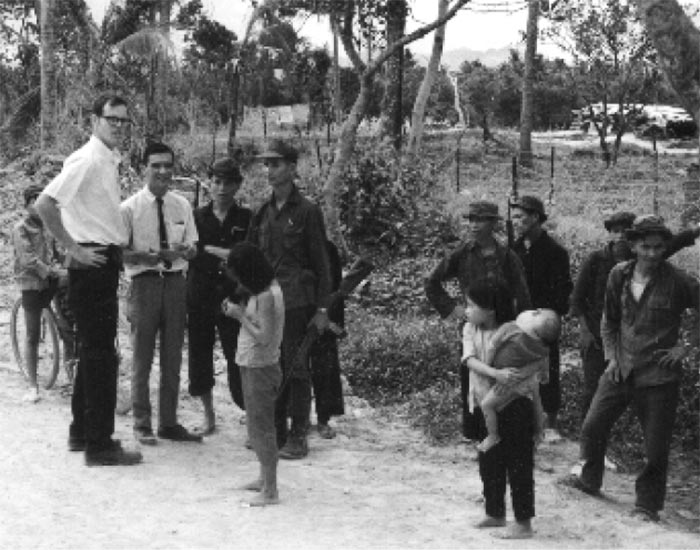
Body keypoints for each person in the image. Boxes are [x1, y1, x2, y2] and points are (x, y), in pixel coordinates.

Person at [564, 215, 699, 523]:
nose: (652, 253)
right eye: (646, 247)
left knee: (655, 447)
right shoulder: (618, 275)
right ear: (634, 246)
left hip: (658, 376)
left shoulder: (679, 280)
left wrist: (686, 347)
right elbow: (609, 320)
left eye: (658, 247)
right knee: (592, 427)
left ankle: (647, 506)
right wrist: (611, 356)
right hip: (620, 369)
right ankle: (589, 480)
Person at [35, 93, 142, 466]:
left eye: (123, 121)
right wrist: (75, 250)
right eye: (111, 118)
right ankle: (100, 444)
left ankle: (82, 433)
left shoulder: (105, 159)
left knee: (93, 351)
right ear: (95, 119)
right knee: (101, 356)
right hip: (91, 265)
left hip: (102, 265)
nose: (118, 125)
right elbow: (45, 204)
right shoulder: (88, 158)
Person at [248, 138, 332, 460]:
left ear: (293, 168)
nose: (269, 170)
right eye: (267, 164)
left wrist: (323, 309)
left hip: (297, 303)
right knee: (270, 366)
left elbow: (323, 265)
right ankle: (276, 429)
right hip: (268, 302)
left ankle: (299, 433)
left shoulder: (308, 212)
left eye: (276, 164)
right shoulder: (263, 213)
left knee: (296, 367)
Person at [571, 211, 700, 421]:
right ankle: (588, 438)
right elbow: (577, 300)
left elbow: (674, 242)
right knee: (594, 388)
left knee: (627, 390)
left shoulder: (643, 259)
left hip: (631, 343)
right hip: (597, 335)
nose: (620, 235)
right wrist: (585, 332)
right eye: (615, 231)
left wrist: (696, 230)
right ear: (610, 234)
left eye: (624, 231)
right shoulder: (596, 259)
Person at [425, 200, 531, 440]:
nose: (474, 225)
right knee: (472, 373)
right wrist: (454, 310)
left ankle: (502, 428)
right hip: (473, 326)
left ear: (493, 223)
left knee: (504, 375)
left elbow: (522, 293)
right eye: (471, 220)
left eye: (480, 220)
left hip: (503, 326)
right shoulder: (462, 253)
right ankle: (473, 431)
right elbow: (432, 282)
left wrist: (524, 328)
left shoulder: (507, 256)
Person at [120, 142, 201, 445]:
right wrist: (148, 256)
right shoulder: (129, 209)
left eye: (167, 165)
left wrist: (189, 250)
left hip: (176, 284)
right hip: (144, 285)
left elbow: (193, 246)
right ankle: (142, 423)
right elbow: (120, 254)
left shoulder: (182, 205)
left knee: (172, 356)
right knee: (141, 356)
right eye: (156, 165)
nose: (163, 171)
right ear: (144, 168)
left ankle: (169, 422)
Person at [460, 280, 539, 539]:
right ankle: (495, 512)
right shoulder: (470, 329)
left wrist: (516, 378)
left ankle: (523, 522)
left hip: (515, 404)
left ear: (490, 309)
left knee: (519, 463)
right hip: (485, 404)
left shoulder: (516, 332)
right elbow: (469, 359)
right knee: (489, 462)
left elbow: (538, 362)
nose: (466, 310)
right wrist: (496, 373)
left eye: (471, 305)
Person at [187, 158, 252, 435]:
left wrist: (210, 251)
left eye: (228, 182)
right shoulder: (195, 217)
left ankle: (251, 416)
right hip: (200, 294)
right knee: (199, 356)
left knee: (238, 357)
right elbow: (190, 254)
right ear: (209, 184)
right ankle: (209, 416)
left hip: (233, 297)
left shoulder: (247, 219)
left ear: (237, 185)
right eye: (216, 182)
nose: (222, 188)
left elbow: (249, 258)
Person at [222, 242, 285, 506]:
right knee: (256, 426)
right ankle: (263, 479)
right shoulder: (262, 292)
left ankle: (271, 490)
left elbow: (264, 336)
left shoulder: (267, 296)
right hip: (252, 364)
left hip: (262, 367)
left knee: (263, 429)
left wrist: (239, 316)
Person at [511, 195, 572, 442]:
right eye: (513, 217)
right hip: (517, 320)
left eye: (520, 216)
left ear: (535, 217)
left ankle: (550, 423)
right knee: (515, 366)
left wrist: (548, 313)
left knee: (548, 369)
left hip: (543, 318)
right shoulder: (513, 250)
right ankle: (520, 418)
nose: (515, 222)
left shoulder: (555, 252)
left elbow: (563, 289)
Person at [12, 184, 71, 402]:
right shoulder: (21, 228)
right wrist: (52, 271)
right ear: (26, 205)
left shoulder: (48, 226)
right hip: (32, 283)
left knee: (67, 323)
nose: (38, 207)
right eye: (33, 202)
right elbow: (28, 259)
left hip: (52, 279)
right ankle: (33, 385)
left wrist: (63, 265)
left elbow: (58, 251)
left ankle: (71, 372)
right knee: (32, 334)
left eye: (41, 202)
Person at [476, 308, 560, 453]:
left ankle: (493, 435)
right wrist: (545, 374)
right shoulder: (543, 346)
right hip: (528, 380)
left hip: (508, 380)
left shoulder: (509, 329)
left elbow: (491, 348)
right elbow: (544, 360)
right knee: (537, 402)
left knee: (487, 405)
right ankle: (539, 432)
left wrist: (489, 369)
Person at [310, 240, 345, 439]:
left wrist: (332, 321)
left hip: (324, 312)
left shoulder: (328, 248)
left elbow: (337, 287)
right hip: (295, 309)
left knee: (324, 366)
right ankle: (297, 417)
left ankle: (323, 419)